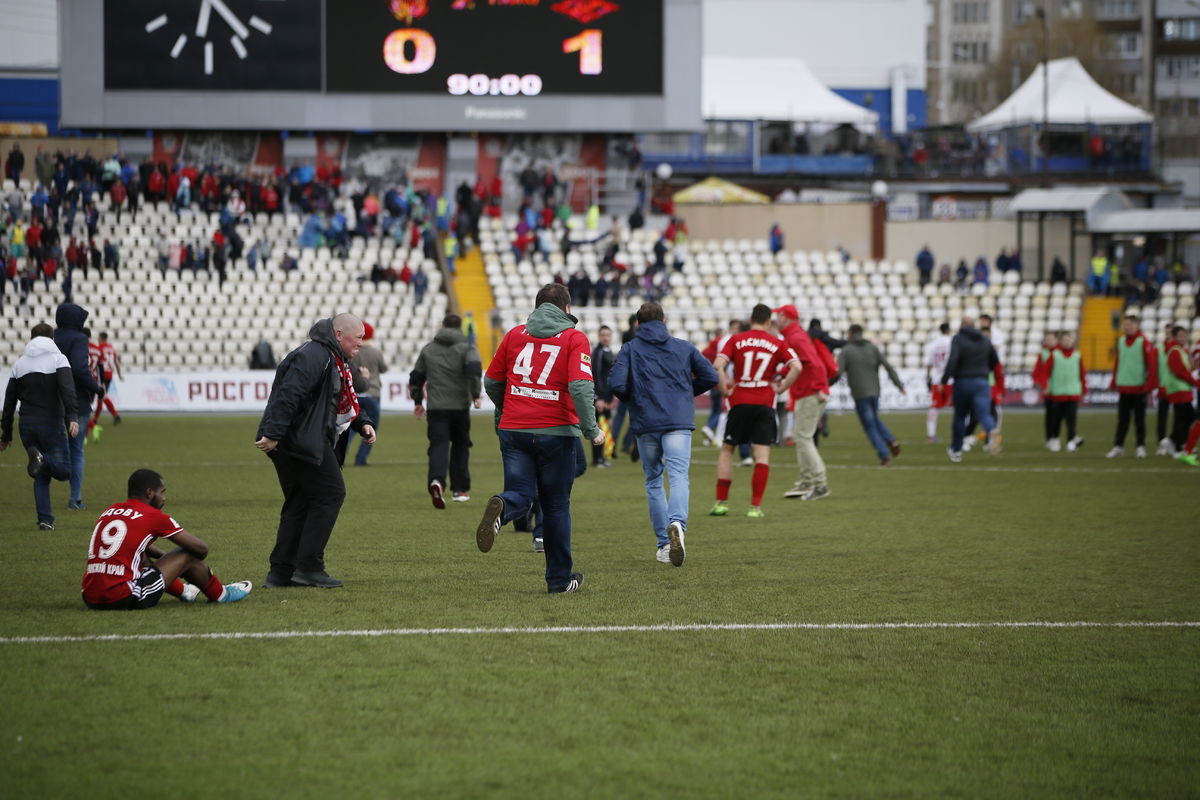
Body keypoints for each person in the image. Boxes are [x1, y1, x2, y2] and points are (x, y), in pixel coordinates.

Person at [477, 283, 604, 593]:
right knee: (557, 505)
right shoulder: (575, 337)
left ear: (536, 308)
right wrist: (592, 429)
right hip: (555, 432)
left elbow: (492, 380)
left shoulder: (514, 334)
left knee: (520, 492)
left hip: (515, 429)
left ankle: (504, 506)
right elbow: (580, 387)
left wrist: (509, 407)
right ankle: (559, 580)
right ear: (567, 309)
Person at [255, 314, 378, 589]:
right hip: (299, 439)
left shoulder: (331, 356)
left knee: (300, 501)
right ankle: (309, 567)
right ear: (338, 334)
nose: (360, 343)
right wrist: (274, 432)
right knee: (330, 493)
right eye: (356, 338)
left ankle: (281, 572)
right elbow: (289, 394)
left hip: (298, 438)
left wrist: (362, 423)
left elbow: (343, 397)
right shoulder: (315, 355)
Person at [609, 302, 717, 565]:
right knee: (679, 475)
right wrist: (684, 394)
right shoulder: (684, 347)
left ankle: (664, 544)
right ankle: (677, 523)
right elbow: (710, 376)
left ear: (637, 324)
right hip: (677, 420)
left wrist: (635, 399)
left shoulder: (630, 349)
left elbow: (616, 384)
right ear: (664, 320)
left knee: (654, 480)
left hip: (647, 422)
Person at [81, 469, 252, 610]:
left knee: (142, 557)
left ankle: (185, 592)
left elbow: (132, 546)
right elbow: (201, 550)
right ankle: (221, 594)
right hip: (122, 597)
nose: (164, 498)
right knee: (186, 555)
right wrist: (175, 562)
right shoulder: (153, 516)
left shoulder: (110, 510)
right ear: (149, 493)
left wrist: (166, 559)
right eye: (162, 492)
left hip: (90, 596)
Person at [710, 304, 801, 518]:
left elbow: (717, 364)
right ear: (769, 322)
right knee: (762, 455)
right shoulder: (777, 342)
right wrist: (782, 388)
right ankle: (755, 507)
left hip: (740, 398)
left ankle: (721, 503)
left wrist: (724, 388)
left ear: (751, 319)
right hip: (764, 401)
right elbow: (797, 366)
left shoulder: (736, 339)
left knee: (727, 450)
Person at [1, 323, 79, 530]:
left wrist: (6, 434)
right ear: (52, 339)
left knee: (41, 476)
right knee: (63, 471)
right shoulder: (58, 359)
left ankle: (45, 520)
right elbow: (67, 390)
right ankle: (42, 460)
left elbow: (8, 403)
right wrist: (72, 416)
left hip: (26, 424)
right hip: (51, 422)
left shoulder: (19, 364)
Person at [410, 313, 482, 506]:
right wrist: (476, 395)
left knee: (438, 445)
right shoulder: (468, 347)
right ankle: (459, 489)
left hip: (436, 407)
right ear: (460, 328)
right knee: (461, 446)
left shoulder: (428, 349)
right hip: (459, 406)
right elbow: (474, 372)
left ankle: (436, 480)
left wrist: (418, 401)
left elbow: (416, 377)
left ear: (442, 326)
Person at [774, 305, 830, 502]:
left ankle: (819, 483)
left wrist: (818, 389)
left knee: (803, 437)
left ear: (786, 317)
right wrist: (781, 374)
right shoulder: (795, 336)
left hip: (810, 392)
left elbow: (812, 363)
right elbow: (801, 362)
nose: (776, 319)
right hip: (805, 392)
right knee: (800, 436)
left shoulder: (796, 337)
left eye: (778, 315)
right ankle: (807, 480)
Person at [54, 303, 105, 510]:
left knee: (55, 447)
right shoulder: (79, 339)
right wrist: (98, 389)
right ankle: (75, 499)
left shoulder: (53, 337)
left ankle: (45, 483)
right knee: (76, 451)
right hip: (77, 402)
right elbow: (80, 370)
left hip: (53, 400)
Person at [837, 324, 906, 466]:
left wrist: (824, 385)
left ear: (850, 334)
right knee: (874, 419)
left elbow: (837, 373)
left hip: (860, 393)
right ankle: (890, 440)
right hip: (875, 391)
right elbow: (888, 367)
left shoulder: (846, 351)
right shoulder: (873, 348)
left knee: (869, 425)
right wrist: (899, 385)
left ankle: (884, 455)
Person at [941, 315, 1001, 462]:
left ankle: (956, 450)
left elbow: (952, 360)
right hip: (981, 382)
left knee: (960, 416)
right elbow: (995, 361)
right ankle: (991, 429)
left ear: (961, 325)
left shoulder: (958, 339)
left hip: (963, 381)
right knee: (984, 413)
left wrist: (944, 380)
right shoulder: (985, 340)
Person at [1105, 313, 1157, 459]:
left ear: (1137, 326)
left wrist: (1149, 384)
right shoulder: (1121, 341)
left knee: (1139, 420)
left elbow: (1151, 365)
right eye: (1125, 324)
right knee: (1122, 420)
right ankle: (1118, 446)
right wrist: (1114, 380)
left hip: (1139, 387)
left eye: (1130, 324)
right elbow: (1118, 363)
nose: (1127, 327)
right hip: (1124, 387)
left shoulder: (1143, 342)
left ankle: (1140, 447)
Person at [348, 322, 388, 467]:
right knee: (370, 428)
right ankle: (361, 459)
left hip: (355, 393)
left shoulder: (352, 350)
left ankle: (341, 454)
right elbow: (384, 368)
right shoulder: (375, 352)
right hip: (372, 393)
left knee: (350, 426)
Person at [1043, 330, 1088, 452]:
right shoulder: (1054, 355)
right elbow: (1046, 372)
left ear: (1073, 341)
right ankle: (1055, 440)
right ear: (1060, 341)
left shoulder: (1077, 355)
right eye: (1064, 340)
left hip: (1073, 393)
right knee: (1056, 419)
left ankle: (1071, 441)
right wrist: (1045, 386)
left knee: (1071, 419)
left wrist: (1084, 390)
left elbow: (1082, 374)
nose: (1066, 342)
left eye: (1069, 339)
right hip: (1057, 393)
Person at [1161, 325, 1199, 453]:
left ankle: (1173, 441)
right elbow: (1179, 371)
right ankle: (1177, 447)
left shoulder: (1180, 350)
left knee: (1188, 417)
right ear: (1175, 337)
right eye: (1180, 336)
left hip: (1182, 389)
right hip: (1178, 389)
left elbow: (1185, 369)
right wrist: (1194, 381)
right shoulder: (1175, 351)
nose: (1183, 338)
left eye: (1185, 335)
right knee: (1182, 419)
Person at [590, 325, 617, 468]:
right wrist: (597, 398)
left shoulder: (609, 351)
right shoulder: (598, 352)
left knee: (606, 427)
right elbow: (595, 375)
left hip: (606, 398)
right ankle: (596, 459)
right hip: (599, 398)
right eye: (603, 335)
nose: (606, 337)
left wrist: (610, 398)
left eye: (608, 335)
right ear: (599, 337)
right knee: (598, 428)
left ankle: (603, 457)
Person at [924, 322, 953, 442]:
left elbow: (929, 364)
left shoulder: (933, 345)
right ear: (949, 330)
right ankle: (963, 434)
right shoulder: (953, 342)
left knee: (934, 407)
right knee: (961, 408)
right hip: (952, 379)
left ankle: (931, 435)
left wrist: (928, 377)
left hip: (937, 379)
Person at [90, 331, 123, 431]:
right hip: (110, 374)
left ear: (101, 338)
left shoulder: (99, 348)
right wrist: (120, 374)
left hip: (102, 374)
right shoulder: (111, 348)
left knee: (103, 396)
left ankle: (116, 415)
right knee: (101, 397)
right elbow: (116, 362)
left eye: (99, 338)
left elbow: (96, 362)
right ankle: (95, 420)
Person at [1155, 323, 1177, 456]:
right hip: (1163, 388)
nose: (1168, 335)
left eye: (1170, 333)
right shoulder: (1159, 349)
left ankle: (1174, 442)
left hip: (1175, 388)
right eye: (1166, 332)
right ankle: (1161, 445)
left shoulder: (1177, 349)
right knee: (1161, 418)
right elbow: (1155, 368)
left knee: (1178, 418)